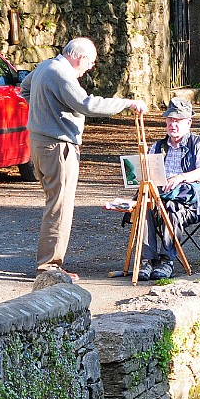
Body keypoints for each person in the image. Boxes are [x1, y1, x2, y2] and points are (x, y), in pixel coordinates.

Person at [21, 37, 148, 279]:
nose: (90, 67)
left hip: (40, 143)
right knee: (60, 207)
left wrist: (45, 112)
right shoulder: (61, 74)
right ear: (79, 57)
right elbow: (86, 104)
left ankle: (49, 264)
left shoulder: (45, 66)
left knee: (54, 204)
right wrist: (127, 103)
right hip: (58, 146)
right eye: (90, 62)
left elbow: (25, 88)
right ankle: (49, 267)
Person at [138, 97, 200, 280]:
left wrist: (181, 177)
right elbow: (147, 175)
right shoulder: (157, 146)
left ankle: (167, 261)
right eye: (170, 120)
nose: (172, 125)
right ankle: (147, 261)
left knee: (172, 208)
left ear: (188, 123)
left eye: (177, 120)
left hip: (190, 204)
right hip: (159, 199)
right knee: (144, 207)